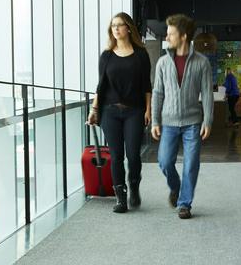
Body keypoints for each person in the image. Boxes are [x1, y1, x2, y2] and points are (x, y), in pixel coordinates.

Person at [87, 12, 152, 213]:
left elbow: (146, 86)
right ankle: (120, 198)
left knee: (133, 155)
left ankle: (134, 185)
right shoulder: (106, 56)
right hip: (110, 112)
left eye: (120, 25)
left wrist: (148, 110)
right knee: (116, 156)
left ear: (128, 28)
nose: (115, 28)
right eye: (113, 25)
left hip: (134, 111)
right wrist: (94, 109)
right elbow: (101, 86)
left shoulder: (141, 54)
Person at [151, 13, 213, 219]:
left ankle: (184, 203)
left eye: (171, 34)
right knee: (164, 161)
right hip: (168, 122)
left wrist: (208, 120)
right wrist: (155, 120)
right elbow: (158, 93)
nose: (167, 37)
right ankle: (176, 187)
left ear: (183, 36)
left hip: (192, 122)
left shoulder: (202, 62)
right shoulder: (162, 63)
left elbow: (207, 94)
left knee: (191, 164)